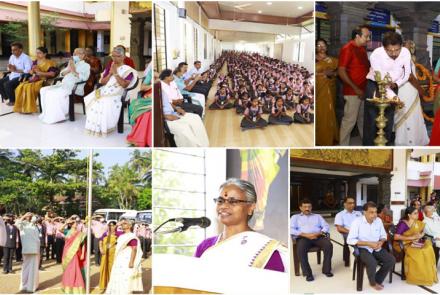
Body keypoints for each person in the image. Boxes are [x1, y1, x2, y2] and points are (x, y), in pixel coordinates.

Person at [195, 179, 287, 272]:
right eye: (220, 201)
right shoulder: (204, 246)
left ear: (251, 207)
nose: (223, 206)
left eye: (233, 201)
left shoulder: (267, 251)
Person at [363, 31, 411, 146]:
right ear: (384, 48)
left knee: (389, 118)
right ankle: (369, 147)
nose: (394, 53)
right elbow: (381, 80)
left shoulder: (405, 52)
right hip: (375, 85)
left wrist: (396, 84)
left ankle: (386, 147)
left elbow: (407, 73)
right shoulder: (376, 55)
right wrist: (394, 97)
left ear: (401, 46)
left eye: (397, 50)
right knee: (372, 118)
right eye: (390, 50)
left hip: (394, 85)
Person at [84, 46, 137, 136]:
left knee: (104, 101)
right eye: (113, 56)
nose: (114, 58)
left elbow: (124, 85)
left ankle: (105, 128)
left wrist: (116, 73)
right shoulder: (110, 67)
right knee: (93, 98)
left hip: (119, 92)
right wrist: (110, 73)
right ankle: (95, 127)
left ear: (123, 57)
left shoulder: (128, 70)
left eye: (117, 56)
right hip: (106, 90)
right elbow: (103, 82)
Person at [347, 202, 396, 291]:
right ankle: (372, 283)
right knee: (372, 262)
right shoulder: (357, 222)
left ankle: (377, 279)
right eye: (371, 212)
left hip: (376, 246)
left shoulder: (378, 220)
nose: (374, 215)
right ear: (364, 212)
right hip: (362, 248)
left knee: (391, 260)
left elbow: (383, 235)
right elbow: (350, 240)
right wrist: (368, 244)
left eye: (375, 212)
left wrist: (381, 242)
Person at [38, 48, 90, 124]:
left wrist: (74, 71)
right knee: (43, 90)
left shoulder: (86, 65)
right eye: (74, 54)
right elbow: (62, 74)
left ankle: (59, 116)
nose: (74, 55)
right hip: (63, 84)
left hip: (73, 86)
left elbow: (84, 78)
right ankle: (47, 114)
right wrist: (68, 69)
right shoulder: (72, 63)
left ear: (83, 55)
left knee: (53, 94)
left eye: (77, 54)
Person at [338, 26, 371, 145]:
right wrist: (356, 88)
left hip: (363, 90)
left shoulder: (362, 49)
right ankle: (342, 147)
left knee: (362, 120)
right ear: (357, 36)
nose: (368, 39)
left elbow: (366, 69)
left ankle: (366, 144)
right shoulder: (347, 48)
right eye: (366, 36)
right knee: (349, 121)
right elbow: (341, 71)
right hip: (353, 92)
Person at [159, 69, 210, 147]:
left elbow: (169, 101)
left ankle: (202, 144)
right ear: (166, 77)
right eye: (171, 75)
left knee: (196, 118)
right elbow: (164, 105)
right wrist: (169, 112)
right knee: (186, 128)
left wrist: (177, 107)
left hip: (176, 107)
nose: (173, 77)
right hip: (170, 114)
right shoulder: (161, 88)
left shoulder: (171, 83)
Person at [393, 40, 429, 146]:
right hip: (406, 90)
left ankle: (415, 141)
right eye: (407, 45)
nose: (411, 46)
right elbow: (409, 77)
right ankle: (406, 143)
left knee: (413, 116)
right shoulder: (403, 58)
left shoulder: (407, 58)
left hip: (410, 91)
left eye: (411, 45)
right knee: (407, 116)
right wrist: (421, 90)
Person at [291, 198, 333, 281]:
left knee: (328, 245)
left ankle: (326, 270)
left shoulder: (317, 216)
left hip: (318, 237)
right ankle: (308, 273)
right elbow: (291, 229)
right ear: (300, 208)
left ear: (311, 207)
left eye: (309, 207)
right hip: (303, 238)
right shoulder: (295, 217)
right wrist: (305, 235)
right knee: (300, 249)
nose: (307, 209)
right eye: (305, 207)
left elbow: (326, 226)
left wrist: (317, 234)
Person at [393, 206, 437, 286]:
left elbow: (422, 232)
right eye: (415, 213)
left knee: (428, 248)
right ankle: (418, 276)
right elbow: (396, 236)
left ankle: (426, 273)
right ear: (409, 215)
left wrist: (419, 236)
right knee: (420, 252)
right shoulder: (403, 223)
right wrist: (411, 238)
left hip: (415, 242)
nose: (417, 215)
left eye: (417, 213)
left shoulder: (417, 222)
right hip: (404, 244)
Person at [13, 47, 57, 113]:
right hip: (34, 79)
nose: (37, 54)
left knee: (28, 88)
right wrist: (32, 71)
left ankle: (28, 109)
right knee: (20, 87)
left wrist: (39, 72)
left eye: (39, 53)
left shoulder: (50, 62)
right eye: (36, 53)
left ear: (45, 54)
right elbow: (31, 72)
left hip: (43, 81)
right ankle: (21, 108)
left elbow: (52, 74)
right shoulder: (35, 61)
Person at [105, 219, 143, 294]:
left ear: (130, 226)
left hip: (127, 260)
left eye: (125, 224)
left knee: (125, 278)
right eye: (123, 224)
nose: (123, 225)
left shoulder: (132, 236)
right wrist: (119, 223)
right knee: (116, 276)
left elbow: (134, 249)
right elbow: (112, 231)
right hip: (119, 259)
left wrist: (131, 262)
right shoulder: (121, 234)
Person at [316, 38, 339, 146]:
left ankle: (329, 138)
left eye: (323, 45)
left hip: (329, 89)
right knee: (319, 114)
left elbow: (337, 73)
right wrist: (322, 75)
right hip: (318, 89)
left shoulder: (332, 60)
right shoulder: (314, 59)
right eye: (318, 45)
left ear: (327, 46)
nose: (321, 48)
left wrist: (331, 74)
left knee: (328, 113)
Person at [126, 62, 152, 147]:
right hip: (149, 95)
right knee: (141, 111)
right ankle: (141, 139)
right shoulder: (150, 73)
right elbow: (142, 87)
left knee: (150, 113)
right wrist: (153, 85)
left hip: (156, 97)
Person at [60, 216, 87, 294]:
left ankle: (76, 286)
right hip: (66, 253)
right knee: (68, 269)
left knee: (75, 269)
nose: (76, 224)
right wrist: (66, 223)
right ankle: (68, 286)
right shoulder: (67, 231)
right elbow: (60, 230)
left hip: (75, 253)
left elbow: (83, 245)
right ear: (71, 224)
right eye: (74, 223)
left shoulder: (80, 233)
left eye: (77, 223)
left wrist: (82, 253)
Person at [15, 212, 40, 293]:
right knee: (25, 268)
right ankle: (24, 285)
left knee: (34, 268)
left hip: (35, 250)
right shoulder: (23, 225)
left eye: (31, 216)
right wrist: (24, 215)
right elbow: (16, 223)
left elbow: (37, 239)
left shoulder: (35, 227)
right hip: (27, 249)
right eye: (29, 216)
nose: (31, 217)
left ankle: (32, 286)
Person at [99, 221, 117, 292]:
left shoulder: (118, 234)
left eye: (112, 225)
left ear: (115, 226)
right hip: (105, 254)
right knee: (104, 269)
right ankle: (103, 286)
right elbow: (100, 241)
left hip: (114, 255)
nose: (110, 227)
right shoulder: (105, 234)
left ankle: (112, 286)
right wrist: (100, 248)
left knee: (113, 269)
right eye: (109, 225)